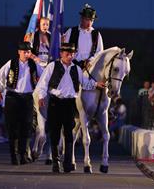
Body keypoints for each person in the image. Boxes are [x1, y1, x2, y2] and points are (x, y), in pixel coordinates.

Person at [35, 43, 105, 173]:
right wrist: (41, 97)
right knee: (55, 133)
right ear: (61, 54)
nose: (70, 56)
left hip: (69, 104)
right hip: (55, 103)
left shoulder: (77, 69)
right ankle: (56, 162)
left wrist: (96, 84)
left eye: (72, 54)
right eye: (67, 53)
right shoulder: (52, 66)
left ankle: (67, 163)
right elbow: (43, 83)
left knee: (69, 134)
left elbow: (85, 83)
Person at [0, 41, 42, 165]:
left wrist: (42, 94)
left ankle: (23, 155)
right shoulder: (11, 63)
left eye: (29, 52)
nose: (27, 54)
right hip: (12, 97)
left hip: (27, 98)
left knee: (26, 127)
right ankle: (14, 155)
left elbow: (44, 77)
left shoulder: (34, 65)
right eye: (25, 52)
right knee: (12, 127)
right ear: (19, 52)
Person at [64, 4, 104, 69]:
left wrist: (91, 60)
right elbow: (65, 49)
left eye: (91, 20)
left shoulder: (96, 34)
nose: (89, 23)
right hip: (72, 66)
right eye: (87, 19)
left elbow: (99, 52)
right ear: (81, 18)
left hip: (90, 68)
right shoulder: (71, 31)